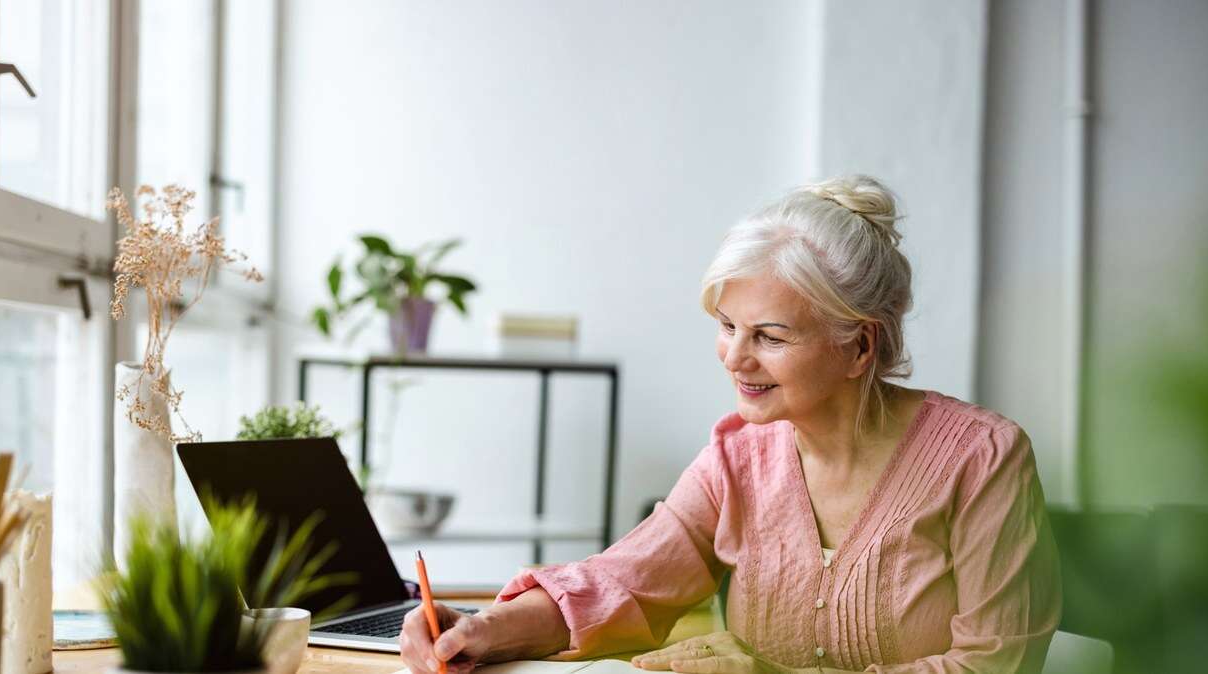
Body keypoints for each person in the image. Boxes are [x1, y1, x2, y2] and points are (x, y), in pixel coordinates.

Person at [400, 175, 1061, 674]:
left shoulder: (984, 458)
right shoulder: (737, 458)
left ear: (861, 346)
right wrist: (487, 629)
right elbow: (624, 580)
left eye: (769, 336)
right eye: (727, 328)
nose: (735, 358)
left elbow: (992, 663)